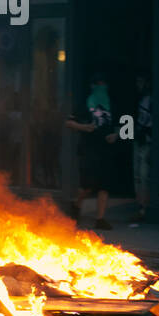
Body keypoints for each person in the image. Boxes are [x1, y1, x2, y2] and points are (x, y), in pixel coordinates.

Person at [65, 72, 119, 231]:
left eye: (103, 84)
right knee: (87, 185)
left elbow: (127, 124)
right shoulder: (84, 103)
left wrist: (117, 135)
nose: (101, 87)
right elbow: (68, 123)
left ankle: (100, 219)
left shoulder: (113, 104)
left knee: (104, 185)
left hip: (106, 150)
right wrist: (85, 127)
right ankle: (76, 206)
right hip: (89, 149)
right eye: (98, 84)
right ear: (92, 86)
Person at [131, 74, 151, 226]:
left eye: (141, 80)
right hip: (138, 139)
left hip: (148, 140)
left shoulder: (151, 99)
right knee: (138, 175)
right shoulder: (137, 99)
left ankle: (145, 208)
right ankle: (141, 207)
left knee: (144, 175)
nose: (138, 84)